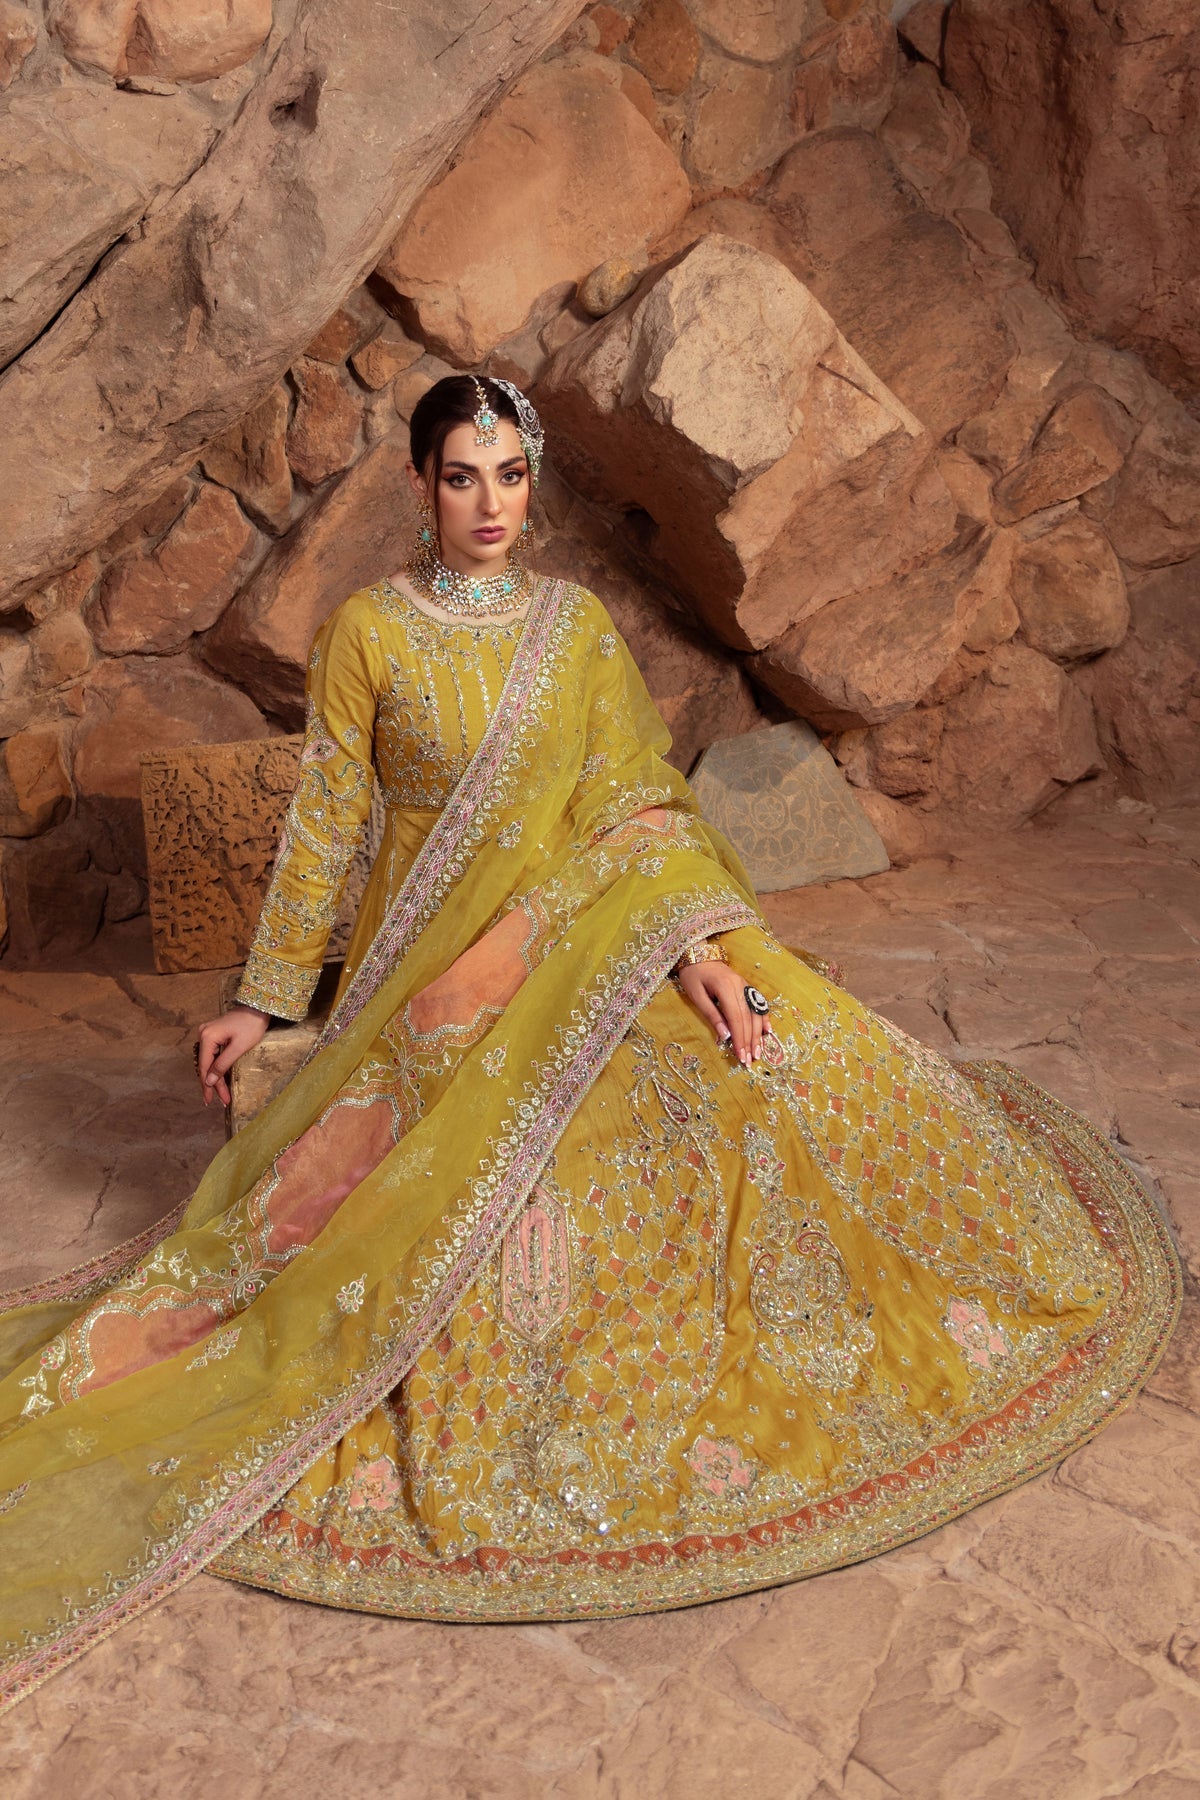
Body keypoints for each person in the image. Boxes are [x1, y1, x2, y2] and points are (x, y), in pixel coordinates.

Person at [0, 376, 1180, 1711]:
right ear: (418, 485)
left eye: (510, 475)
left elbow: (635, 800)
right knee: (521, 1198)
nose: (490, 504)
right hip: (443, 979)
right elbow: (327, 818)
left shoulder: (575, 630)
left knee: (768, 1070)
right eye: (461, 476)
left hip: (603, 928)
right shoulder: (367, 631)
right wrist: (266, 1000)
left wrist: (702, 951)